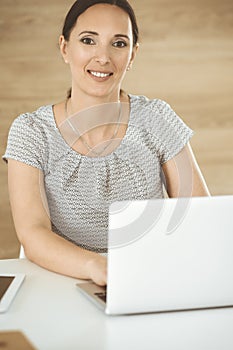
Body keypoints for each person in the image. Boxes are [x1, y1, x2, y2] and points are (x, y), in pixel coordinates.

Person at [3, 0, 209, 286]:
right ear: (65, 48)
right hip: (61, 282)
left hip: (149, 278)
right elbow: (33, 233)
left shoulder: (157, 117)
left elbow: (198, 215)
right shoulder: (31, 131)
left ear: (133, 55)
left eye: (119, 44)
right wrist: (99, 268)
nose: (103, 57)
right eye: (89, 40)